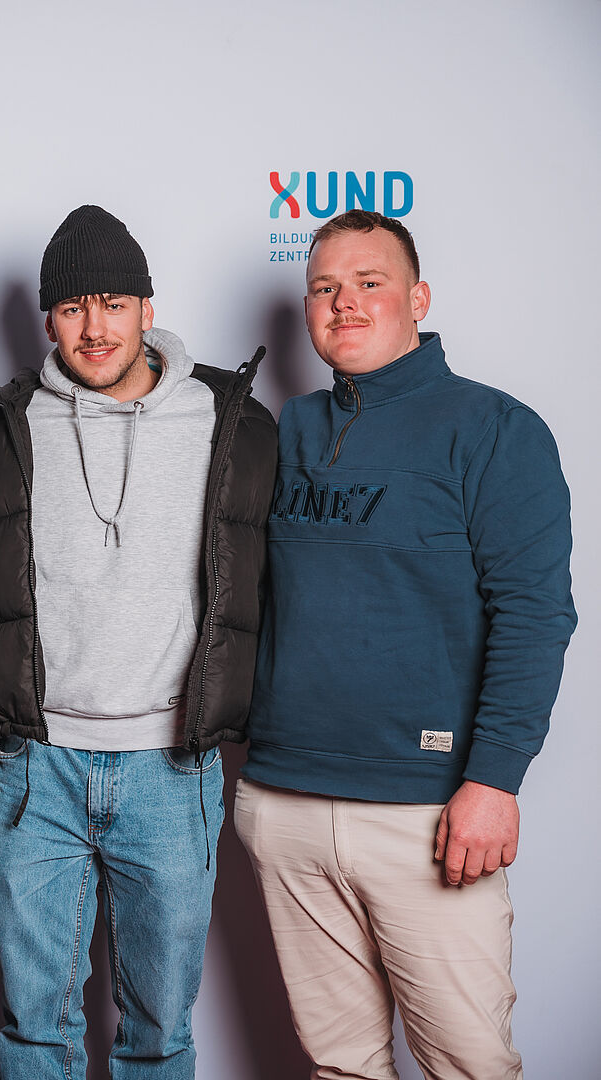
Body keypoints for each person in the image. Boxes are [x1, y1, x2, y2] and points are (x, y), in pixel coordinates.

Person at [236, 209, 576, 1080]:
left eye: (369, 283)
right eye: (324, 288)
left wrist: (494, 779)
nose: (344, 303)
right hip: (285, 801)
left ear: (418, 298)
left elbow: (535, 613)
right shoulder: (288, 429)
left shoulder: (494, 429)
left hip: (426, 811)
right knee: (340, 1066)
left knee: (468, 1065)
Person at [0, 204, 277, 1078]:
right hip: (38, 767)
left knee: (160, 1032)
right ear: (47, 321)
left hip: (172, 768)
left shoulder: (231, 421)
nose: (94, 327)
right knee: (35, 1027)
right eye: (71, 308)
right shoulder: (4, 428)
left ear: (147, 307)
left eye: (112, 303)